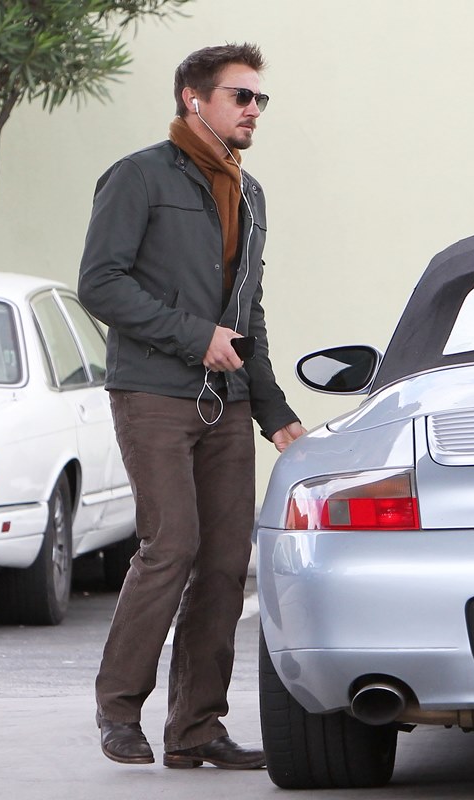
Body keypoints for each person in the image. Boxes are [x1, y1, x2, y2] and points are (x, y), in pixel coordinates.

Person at [78, 42, 306, 771]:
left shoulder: (250, 193)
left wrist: (275, 412)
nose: (253, 110)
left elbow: (247, 314)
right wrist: (192, 336)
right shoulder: (139, 176)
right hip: (152, 392)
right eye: (241, 96)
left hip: (227, 401)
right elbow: (100, 284)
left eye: (259, 98)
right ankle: (119, 710)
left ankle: (196, 728)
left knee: (224, 562)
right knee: (171, 545)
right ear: (193, 99)